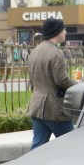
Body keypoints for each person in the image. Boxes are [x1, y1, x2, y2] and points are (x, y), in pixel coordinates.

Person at [27, 18, 75, 149]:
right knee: (72, 146)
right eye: (63, 29)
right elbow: (62, 80)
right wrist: (78, 85)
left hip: (36, 107)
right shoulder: (55, 53)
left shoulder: (35, 52)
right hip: (54, 110)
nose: (65, 32)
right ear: (57, 31)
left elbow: (31, 80)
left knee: (37, 147)